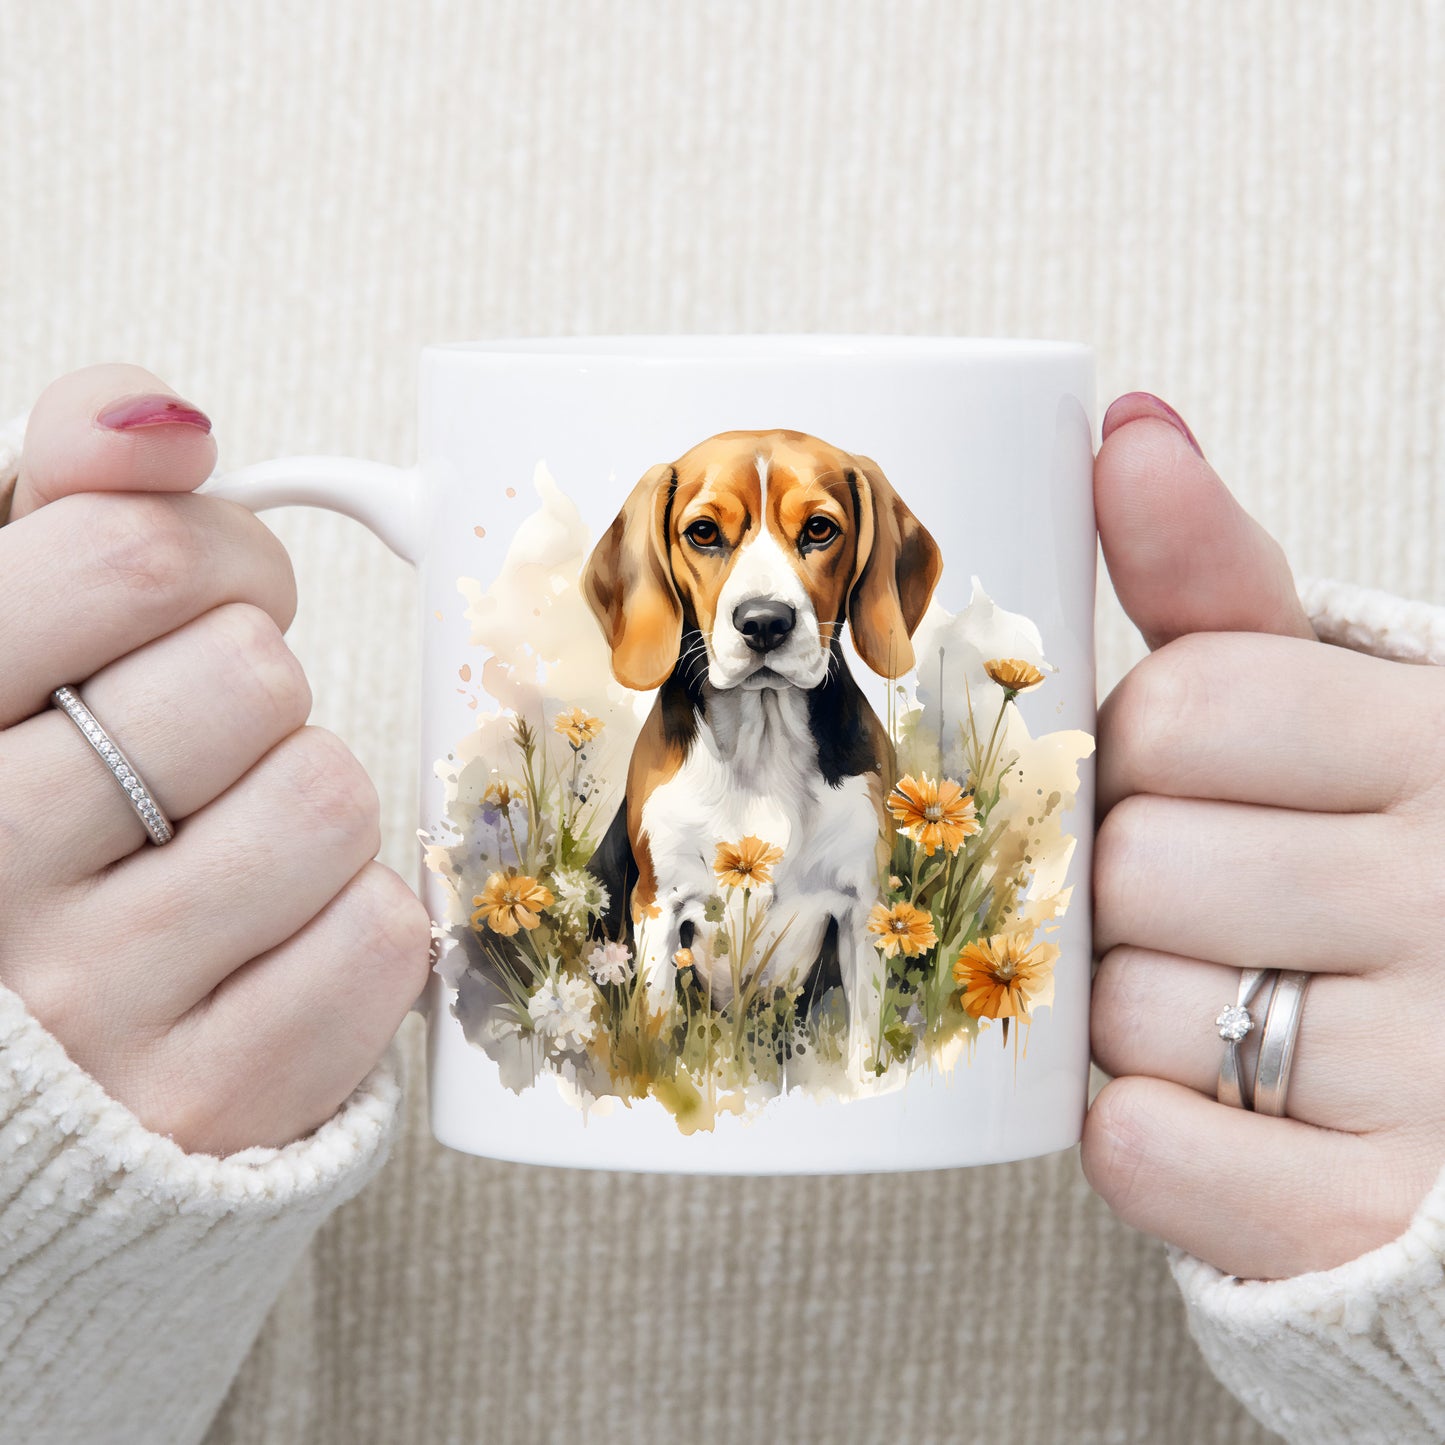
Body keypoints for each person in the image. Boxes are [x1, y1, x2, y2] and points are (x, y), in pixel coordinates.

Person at [1, 364, 1443, 1445]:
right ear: (653, 572)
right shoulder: (655, 758)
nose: (764, 588)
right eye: (711, 539)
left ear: (871, 567)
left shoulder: (864, 739)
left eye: (815, 539)